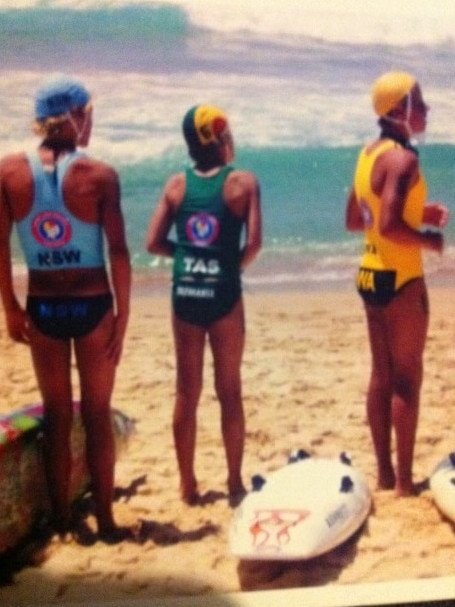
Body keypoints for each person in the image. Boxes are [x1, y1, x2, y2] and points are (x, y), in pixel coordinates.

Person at [0, 75, 132, 541]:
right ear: (75, 117)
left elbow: (0, 248)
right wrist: (123, 313)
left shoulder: (8, 173)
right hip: (93, 306)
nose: (91, 122)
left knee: (57, 415)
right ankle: (109, 521)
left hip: (43, 310)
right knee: (97, 413)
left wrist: (11, 309)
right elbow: (118, 251)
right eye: (88, 114)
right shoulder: (99, 176)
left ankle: (60, 520)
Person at [145, 105, 262, 505]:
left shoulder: (176, 186)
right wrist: (227, 265)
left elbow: (153, 243)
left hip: (187, 293)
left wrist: (188, 255)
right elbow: (255, 244)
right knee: (229, 390)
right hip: (224, 293)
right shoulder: (243, 183)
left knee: (186, 391)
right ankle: (233, 482)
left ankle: (187, 485)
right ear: (220, 137)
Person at [345, 71, 449, 497]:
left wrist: (419, 213)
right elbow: (388, 224)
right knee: (407, 379)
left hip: (370, 274)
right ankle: (405, 484)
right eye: (418, 102)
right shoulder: (404, 160)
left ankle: (386, 474)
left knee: (380, 375)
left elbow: (357, 218)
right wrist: (427, 238)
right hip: (402, 278)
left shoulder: (368, 154)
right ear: (397, 110)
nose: (425, 110)